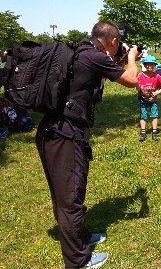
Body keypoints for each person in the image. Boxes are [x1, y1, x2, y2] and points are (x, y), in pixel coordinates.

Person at [35, 21, 139, 268]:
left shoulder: (80, 52)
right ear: (113, 41)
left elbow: (108, 69)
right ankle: (78, 261)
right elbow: (132, 80)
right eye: (117, 47)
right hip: (65, 135)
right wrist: (133, 57)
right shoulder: (94, 56)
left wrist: (121, 60)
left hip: (55, 130)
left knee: (71, 191)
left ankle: (80, 237)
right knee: (69, 197)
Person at [137, 55, 161, 142]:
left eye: (151, 64)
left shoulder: (156, 76)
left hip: (153, 100)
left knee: (154, 115)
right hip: (143, 99)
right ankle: (143, 133)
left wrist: (158, 92)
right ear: (144, 65)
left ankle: (154, 132)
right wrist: (138, 87)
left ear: (154, 65)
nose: (149, 66)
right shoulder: (140, 75)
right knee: (143, 115)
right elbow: (137, 86)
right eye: (147, 64)